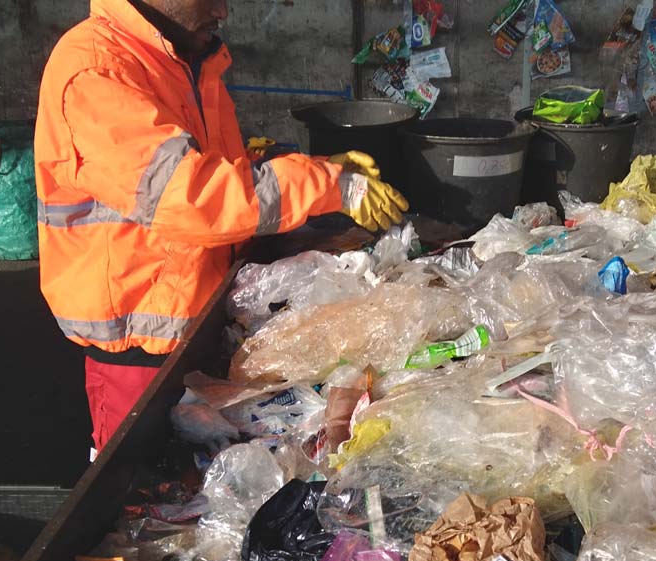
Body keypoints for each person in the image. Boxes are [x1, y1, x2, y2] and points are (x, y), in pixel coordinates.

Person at [35, 0, 408, 454]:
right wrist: (327, 186)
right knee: (139, 489)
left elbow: (222, 169)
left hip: (198, 326)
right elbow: (191, 197)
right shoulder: (97, 72)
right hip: (139, 354)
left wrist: (314, 167)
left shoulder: (183, 60)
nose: (224, 10)